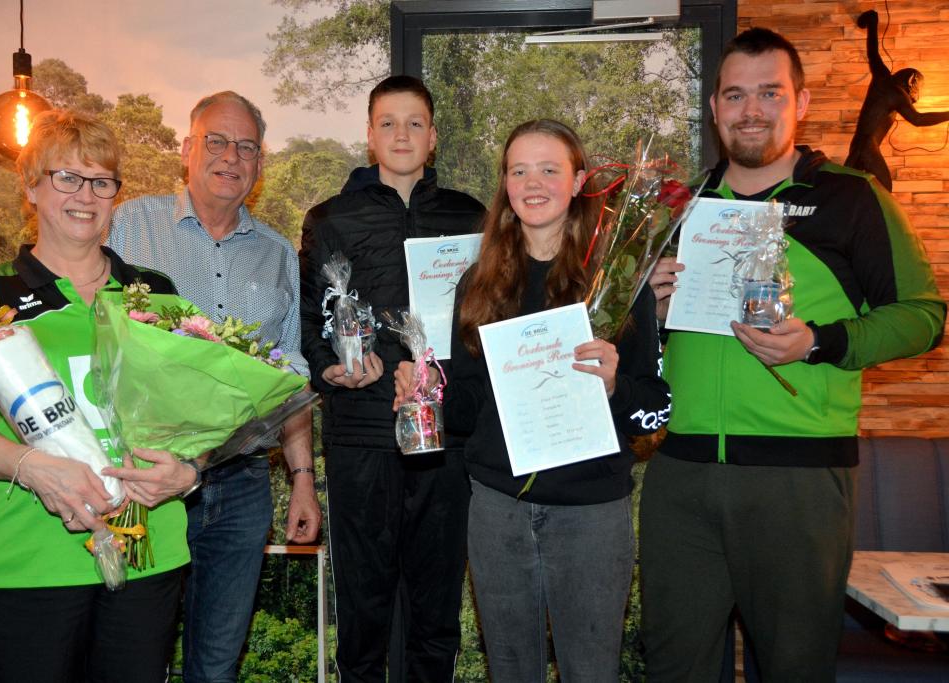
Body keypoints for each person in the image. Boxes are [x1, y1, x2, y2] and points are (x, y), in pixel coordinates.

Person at [641, 27, 946, 681]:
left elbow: (924, 316)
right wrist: (654, 315)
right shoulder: (680, 207)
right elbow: (641, 344)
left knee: (794, 669)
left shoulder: (853, 198)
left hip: (799, 483)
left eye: (770, 92)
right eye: (735, 95)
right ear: (716, 107)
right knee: (674, 669)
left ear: (800, 102)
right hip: (681, 478)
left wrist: (821, 341)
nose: (751, 109)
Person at [395, 118, 671, 682]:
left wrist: (616, 384)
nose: (533, 182)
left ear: (578, 182)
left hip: (591, 515)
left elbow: (656, 410)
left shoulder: (615, 280)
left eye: (549, 169)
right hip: (498, 509)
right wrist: (430, 394)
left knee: (591, 671)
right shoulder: (479, 282)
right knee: (512, 670)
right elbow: (469, 408)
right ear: (505, 185)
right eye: (519, 170)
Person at [0, 109, 193, 683]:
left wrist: (189, 472)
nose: (86, 195)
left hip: (149, 548)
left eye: (101, 181)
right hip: (31, 559)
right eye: (65, 177)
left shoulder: (157, 293)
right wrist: (35, 467)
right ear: (30, 186)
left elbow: (188, 421)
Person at [108, 91, 321, 683]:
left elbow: (290, 378)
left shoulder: (279, 255)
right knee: (133, 659)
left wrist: (302, 481)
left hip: (242, 486)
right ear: (187, 149)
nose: (232, 156)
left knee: (217, 665)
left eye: (247, 146)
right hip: (144, 482)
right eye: (217, 141)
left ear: (260, 162)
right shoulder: (128, 228)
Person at [299, 75, 485, 682]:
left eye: (414, 124)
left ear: (432, 138)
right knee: (363, 603)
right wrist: (335, 370)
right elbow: (314, 320)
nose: (400, 134)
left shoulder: (472, 216)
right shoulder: (330, 219)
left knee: (436, 605)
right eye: (387, 123)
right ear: (369, 135)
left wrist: (446, 378)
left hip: (446, 434)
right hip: (361, 432)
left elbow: (488, 321)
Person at [845, 9, 949, 191]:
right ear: (912, 82)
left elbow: (873, 54)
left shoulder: (882, 77)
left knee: (847, 193)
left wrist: (872, 22)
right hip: (868, 148)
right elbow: (918, 119)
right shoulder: (897, 93)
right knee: (885, 192)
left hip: (857, 146)